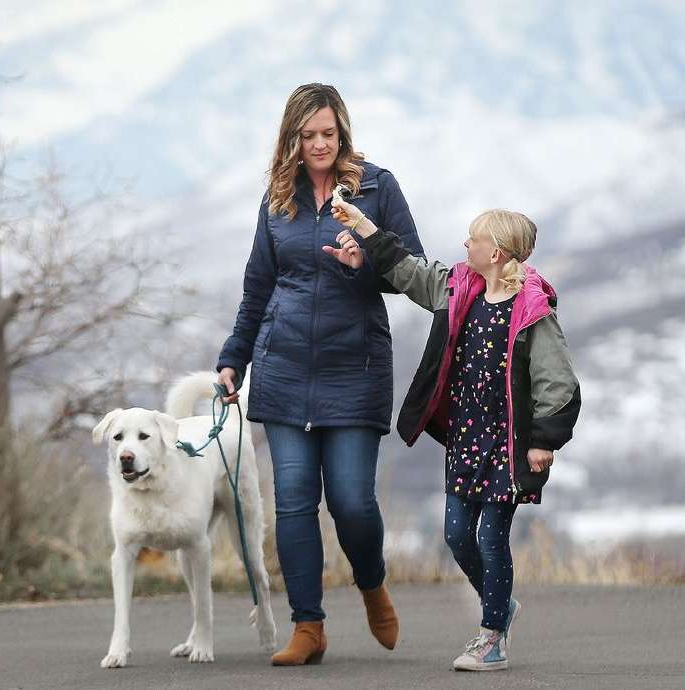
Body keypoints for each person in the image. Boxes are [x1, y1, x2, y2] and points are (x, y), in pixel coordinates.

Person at [215, 82, 425, 666]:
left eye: (328, 133)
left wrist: (366, 260)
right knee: (294, 501)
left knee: (354, 501)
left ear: (343, 132)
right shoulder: (277, 197)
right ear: (291, 137)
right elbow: (258, 286)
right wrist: (235, 358)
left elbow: (412, 267)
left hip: (354, 366)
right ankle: (308, 627)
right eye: (307, 135)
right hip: (283, 368)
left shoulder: (376, 187)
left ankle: (372, 581)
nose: (318, 144)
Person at [325, 201, 581, 671]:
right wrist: (361, 224)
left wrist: (544, 439)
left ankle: (492, 637)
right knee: (456, 535)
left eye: (474, 239)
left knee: (489, 538)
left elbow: (557, 381)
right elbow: (406, 269)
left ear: (498, 253)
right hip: (465, 440)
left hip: (507, 447)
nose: (466, 245)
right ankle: (500, 604)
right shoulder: (458, 287)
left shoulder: (531, 310)